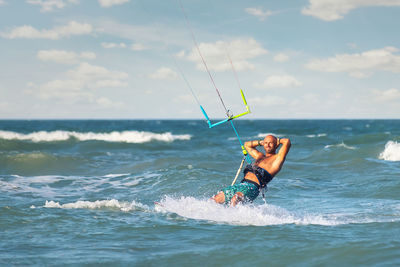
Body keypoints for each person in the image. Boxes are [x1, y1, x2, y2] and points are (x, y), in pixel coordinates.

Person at [211, 135, 291, 206]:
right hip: (242, 184)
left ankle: (230, 219)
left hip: (253, 188)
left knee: (235, 198)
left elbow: (287, 141)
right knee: (214, 199)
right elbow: (247, 145)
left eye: (271, 143)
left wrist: (278, 141)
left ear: (276, 145)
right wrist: (261, 142)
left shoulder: (277, 159)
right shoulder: (260, 156)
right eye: (266, 143)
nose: (267, 145)